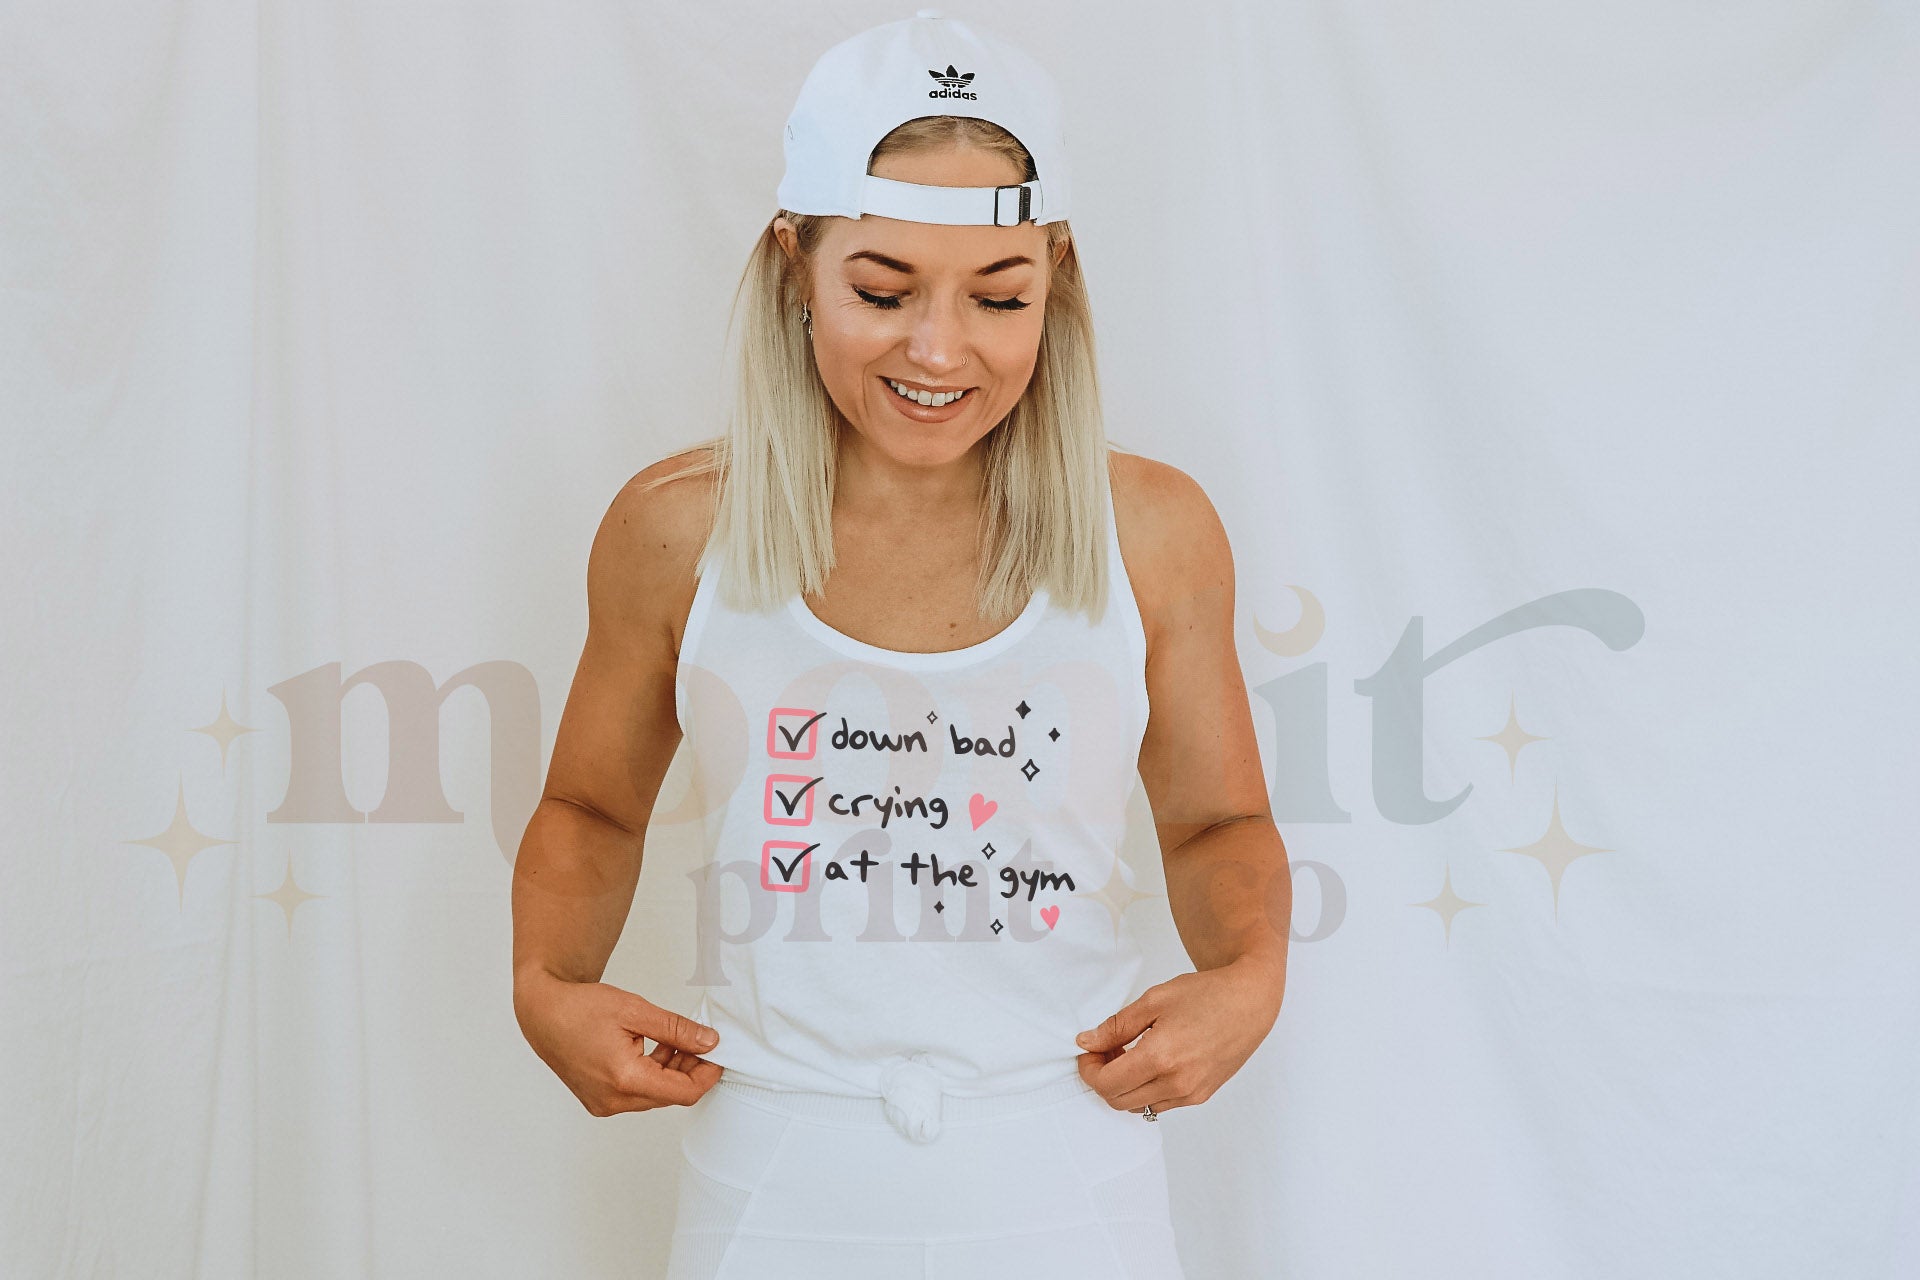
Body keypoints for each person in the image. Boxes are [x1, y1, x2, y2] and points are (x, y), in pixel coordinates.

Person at [511, 12, 1290, 1278]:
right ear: (792, 266)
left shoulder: (1152, 533)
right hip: (773, 1171)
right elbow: (592, 805)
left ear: (1059, 281)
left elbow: (1217, 826)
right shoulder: (675, 532)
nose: (939, 348)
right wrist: (547, 979)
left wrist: (1248, 975)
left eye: (999, 297)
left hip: (1067, 1170)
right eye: (880, 291)